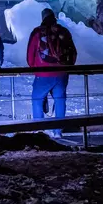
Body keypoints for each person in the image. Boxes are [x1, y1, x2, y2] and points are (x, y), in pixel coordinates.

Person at [26, 8, 77, 136]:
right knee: (60, 99)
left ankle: (39, 130)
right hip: (61, 73)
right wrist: (67, 67)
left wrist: (35, 67)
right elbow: (73, 52)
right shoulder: (63, 31)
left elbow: (30, 54)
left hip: (43, 73)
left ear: (43, 18)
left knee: (37, 99)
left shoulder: (38, 32)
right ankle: (58, 131)